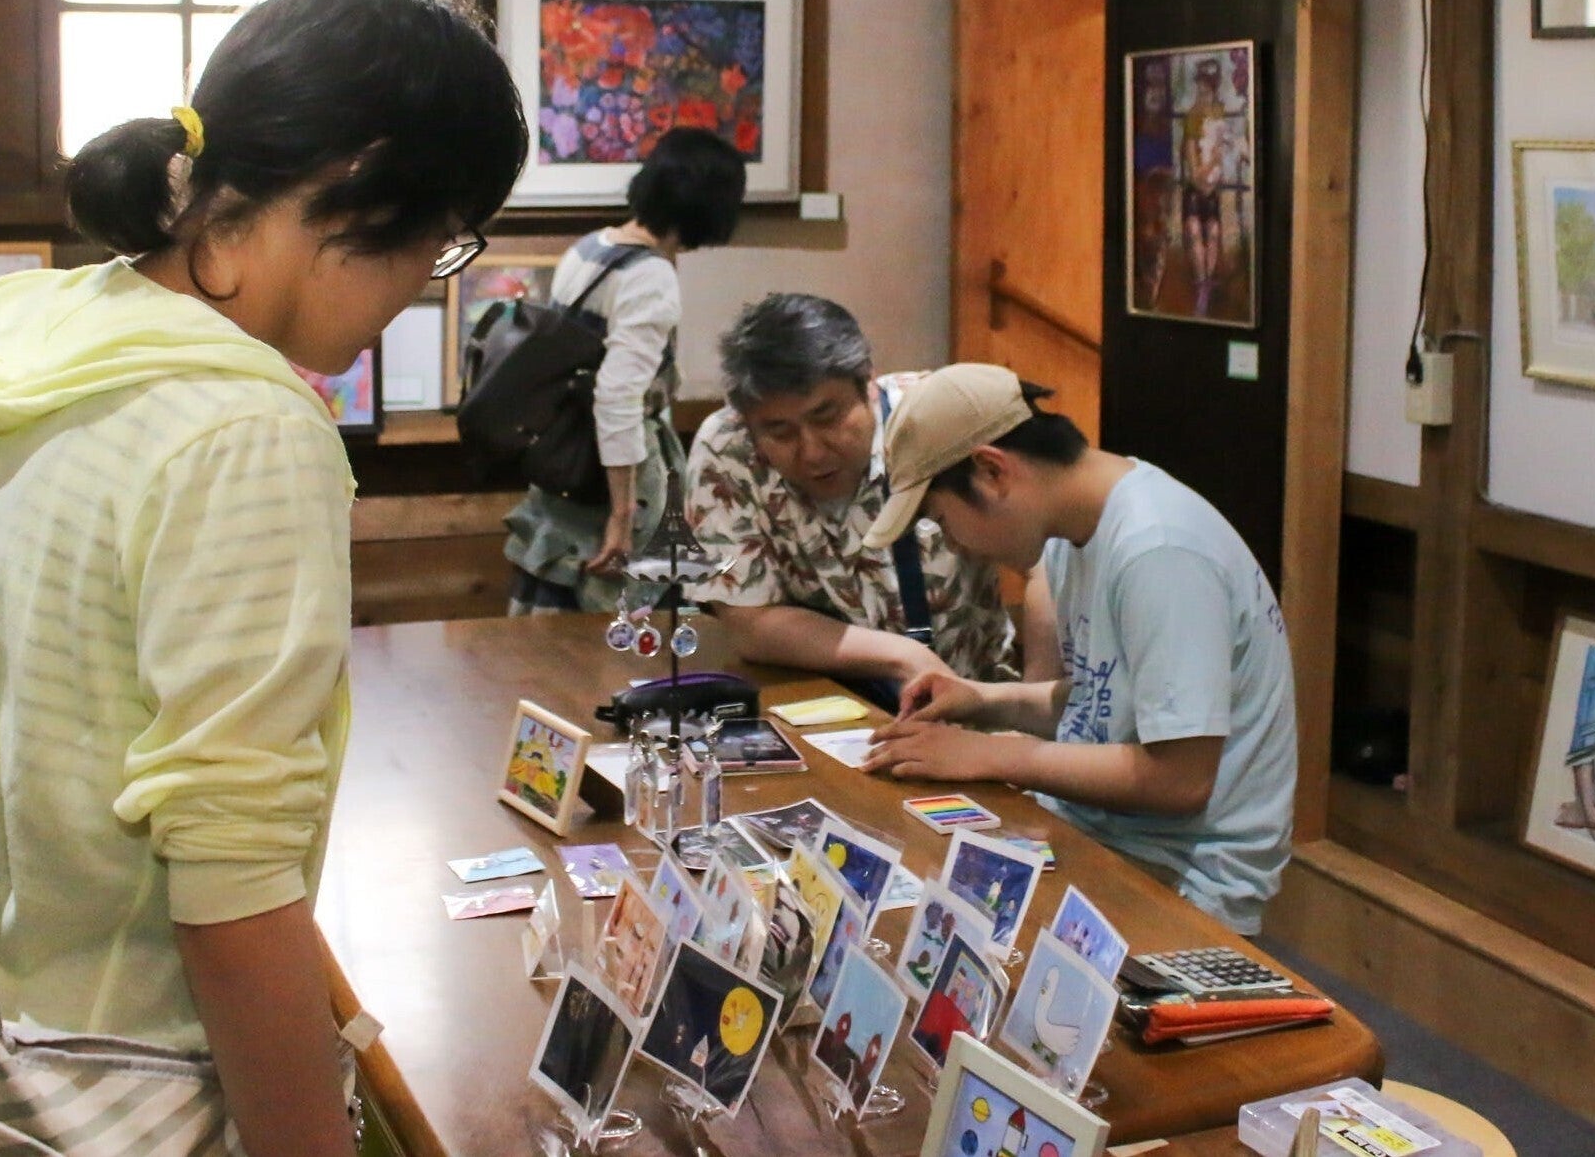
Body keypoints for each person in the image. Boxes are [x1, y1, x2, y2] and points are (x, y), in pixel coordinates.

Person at [0, 0, 529, 1157]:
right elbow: (232, 885)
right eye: (441, 241)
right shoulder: (243, 425)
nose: (419, 282)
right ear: (364, 181)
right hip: (87, 1070)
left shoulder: (27, 338)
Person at [862, 364, 1297, 937]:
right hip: (1104, 835)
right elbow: (1104, 704)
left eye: (942, 520)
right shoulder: (1075, 534)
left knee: (932, 935)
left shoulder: (1158, 549)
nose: (954, 543)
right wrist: (982, 701)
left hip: (1182, 874)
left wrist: (989, 753)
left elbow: (1180, 779)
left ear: (992, 471)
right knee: (901, 890)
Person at [683, 295, 1017, 695]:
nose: (812, 452)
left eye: (827, 417)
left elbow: (1044, 559)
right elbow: (749, 623)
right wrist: (904, 656)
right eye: (780, 432)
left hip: (976, 696)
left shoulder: (940, 416)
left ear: (868, 383)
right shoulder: (727, 448)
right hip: (819, 698)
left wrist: (1037, 698)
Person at [505, 127, 747, 614]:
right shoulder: (649, 276)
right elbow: (618, 398)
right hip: (614, 472)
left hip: (564, 457)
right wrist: (622, 513)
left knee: (553, 602)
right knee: (619, 616)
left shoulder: (590, 248)